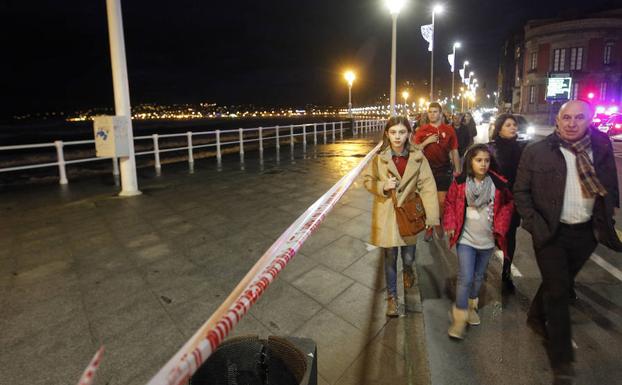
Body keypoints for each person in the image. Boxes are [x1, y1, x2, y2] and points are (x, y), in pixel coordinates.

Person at [514, 100, 622, 385]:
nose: (572, 123)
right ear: (558, 120)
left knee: (557, 281)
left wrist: (607, 214)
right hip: (550, 233)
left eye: (579, 117)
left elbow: (609, 184)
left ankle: (536, 315)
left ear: (590, 120)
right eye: (567, 117)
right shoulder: (537, 151)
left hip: (586, 234)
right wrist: (533, 225)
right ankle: (562, 363)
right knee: (560, 292)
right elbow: (521, 192)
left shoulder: (599, 146)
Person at [364, 116, 440, 317]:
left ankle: (408, 270)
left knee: (408, 257)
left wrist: (432, 218)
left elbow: (428, 186)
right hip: (388, 214)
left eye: (402, 132)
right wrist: (382, 186)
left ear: (408, 134)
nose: (397, 137)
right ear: (387, 134)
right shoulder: (379, 157)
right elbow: (367, 181)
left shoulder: (418, 157)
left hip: (409, 215)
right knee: (390, 259)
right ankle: (392, 299)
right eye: (393, 132)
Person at [443, 144, 514, 339]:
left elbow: (508, 205)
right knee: (465, 277)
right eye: (478, 160)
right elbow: (449, 203)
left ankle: (471, 306)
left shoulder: (498, 184)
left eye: (486, 160)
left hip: (488, 240)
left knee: (478, 276)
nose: (483, 164)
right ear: (470, 161)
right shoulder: (460, 182)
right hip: (465, 238)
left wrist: (501, 225)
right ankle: (459, 316)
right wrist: (449, 223)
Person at [487, 114, 527, 292]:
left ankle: (506, 271)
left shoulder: (522, 149)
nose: (513, 128)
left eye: (514, 125)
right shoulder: (490, 149)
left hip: (513, 200)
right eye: (508, 125)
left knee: (510, 236)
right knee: (491, 235)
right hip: (493, 200)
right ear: (499, 128)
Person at [413, 102, 461, 241]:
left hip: (444, 169)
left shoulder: (449, 130)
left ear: (441, 113)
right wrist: (426, 142)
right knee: (427, 201)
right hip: (426, 170)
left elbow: (454, 150)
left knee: (441, 202)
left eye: (435, 111)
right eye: (430, 112)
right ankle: (430, 225)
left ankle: (437, 221)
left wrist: (458, 170)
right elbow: (415, 151)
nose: (432, 114)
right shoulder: (422, 130)